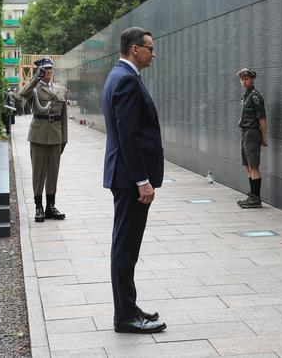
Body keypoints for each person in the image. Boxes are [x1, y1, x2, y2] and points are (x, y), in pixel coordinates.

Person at [103, 27, 166, 334]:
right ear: (133, 49)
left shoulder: (119, 75)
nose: (153, 53)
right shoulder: (127, 80)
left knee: (125, 246)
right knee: (126, 248)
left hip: (125, 176)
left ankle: (128, 306)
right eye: (149, 48)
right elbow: (128, 135)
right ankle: (125, 316)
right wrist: (142, 180)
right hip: (130, 179)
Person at [19, 58, 67, 222]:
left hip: (56, 135)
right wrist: (35, 78)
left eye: (50, 68)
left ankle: (50, 207)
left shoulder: (60, 89)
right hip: (38, 136)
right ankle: (38, 207)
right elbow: (22, 94)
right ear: (39, 70)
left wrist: (64, 138)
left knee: (53, 173)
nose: (48, 71)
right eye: (44, 69)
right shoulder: (34, 88)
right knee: (38, 173)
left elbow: (64, 117)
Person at [236, 67, 268, 209]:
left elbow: (262, 118)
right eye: (242, 79)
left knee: (253, 166)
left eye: (246, 79)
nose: (244, 81)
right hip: (245, 133)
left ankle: (256, 199)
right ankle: (252, 196)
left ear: (253, 79)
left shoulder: (255, 96)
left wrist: (263, 137)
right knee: (247, 166)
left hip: (252, 133)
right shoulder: (246, 95)